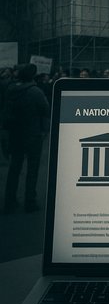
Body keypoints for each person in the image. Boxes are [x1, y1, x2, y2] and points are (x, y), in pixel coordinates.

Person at [2, 63, 50, 213]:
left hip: (16, 134)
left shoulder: (10, 90)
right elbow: (46, 109)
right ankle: (30, 201)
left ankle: (10, 201)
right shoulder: (35, 92)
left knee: (14, 168)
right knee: (32, 169)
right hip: (33, 134)